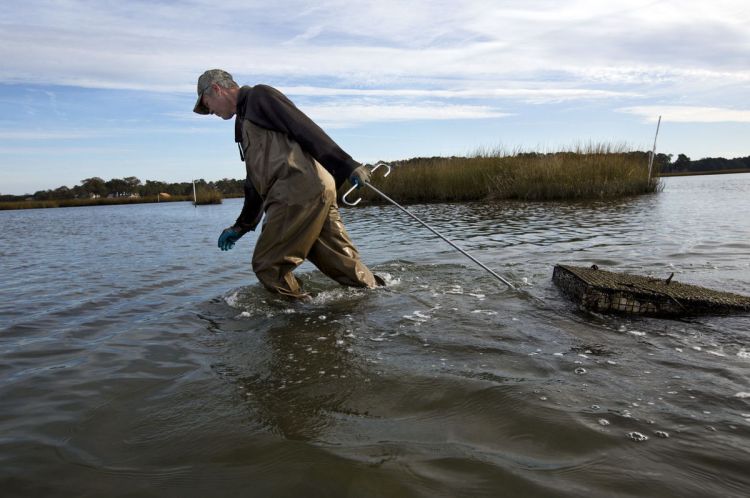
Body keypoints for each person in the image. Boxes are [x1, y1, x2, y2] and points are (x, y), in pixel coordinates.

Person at [193, 69, 383, 299]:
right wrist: (241, 226)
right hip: (315, 190)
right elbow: (255, 180)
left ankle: (300, 320)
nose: (209, 111)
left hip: (296, 192)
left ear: (216, 89)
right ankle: (382, 298)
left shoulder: (258, 97)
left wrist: (347, 164)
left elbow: (304, 128)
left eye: (207, 104)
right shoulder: (241, 123)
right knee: (339, 260)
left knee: (268, 265)